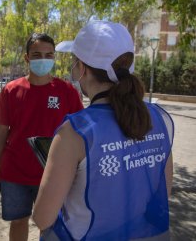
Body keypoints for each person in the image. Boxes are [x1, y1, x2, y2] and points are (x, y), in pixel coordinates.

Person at [33, 21, 174, 240]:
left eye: (74, 61)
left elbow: (42, 218)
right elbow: (162, 192)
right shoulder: (158, 118)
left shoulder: (74, 131)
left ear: (83, 69)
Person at [0, 33, 84, 241]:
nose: (43, 59)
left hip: (54, 175)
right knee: (18, 222)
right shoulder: (10, 90)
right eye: (37, 54)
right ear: (27, 58)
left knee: (49, 225)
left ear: (54, 58)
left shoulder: (67, 91)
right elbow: (1, 133)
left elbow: (80, 132)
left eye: (49, 55)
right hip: (15, 173)